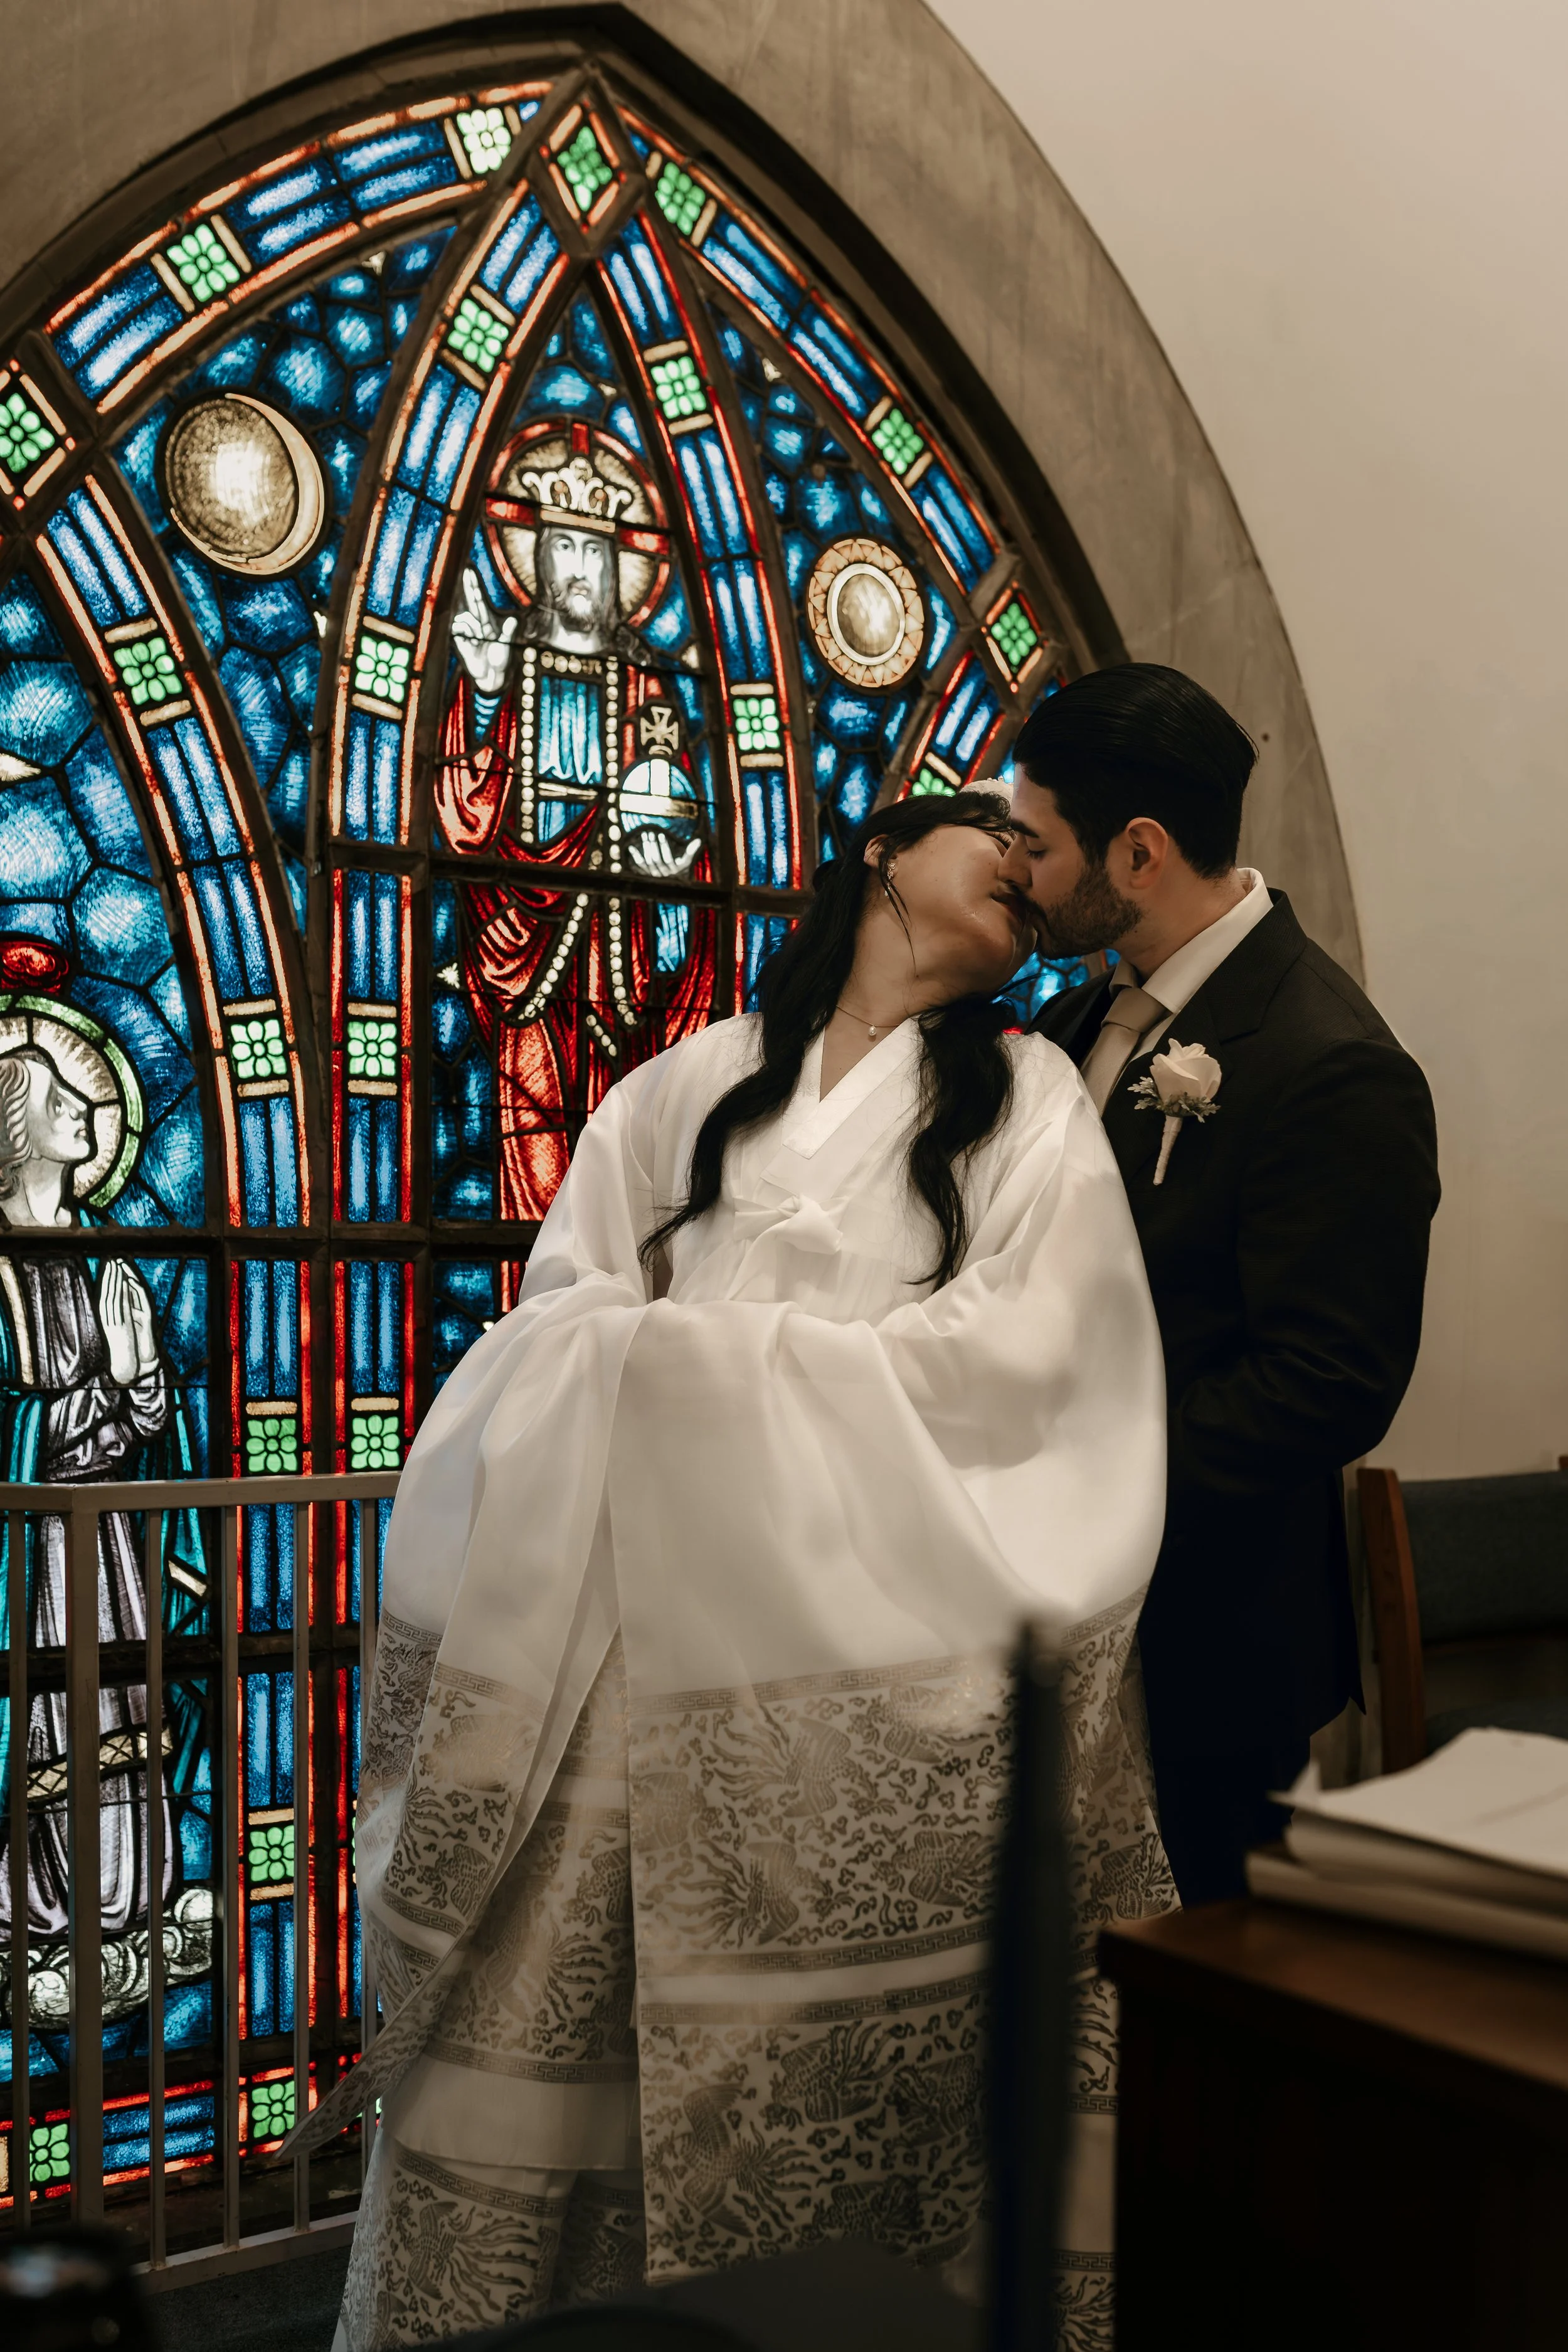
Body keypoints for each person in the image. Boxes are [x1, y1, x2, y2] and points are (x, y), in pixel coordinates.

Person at [304, 792, 1172, 2349]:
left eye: (1040, 867)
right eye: (988, 833)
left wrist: (698, 1375)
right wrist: (686, 1370)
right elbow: (559, 1313)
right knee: (566, 2038)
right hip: (625, 1650)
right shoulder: (679, 1089)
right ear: (876, 860)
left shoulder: (1028, 1099)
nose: (1024, 870)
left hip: (850, 1659)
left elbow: (1034, 1360)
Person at [1001, 665, 1440, 1905]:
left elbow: (1327, 1380)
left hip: (1201, 1647)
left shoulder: (1327, 1062)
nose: (1016, 873)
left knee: (1182, 2043)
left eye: (1035, 844)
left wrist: (1088, 1493)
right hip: (1046, 1628)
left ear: (1135, 854)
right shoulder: (1071, 1023)